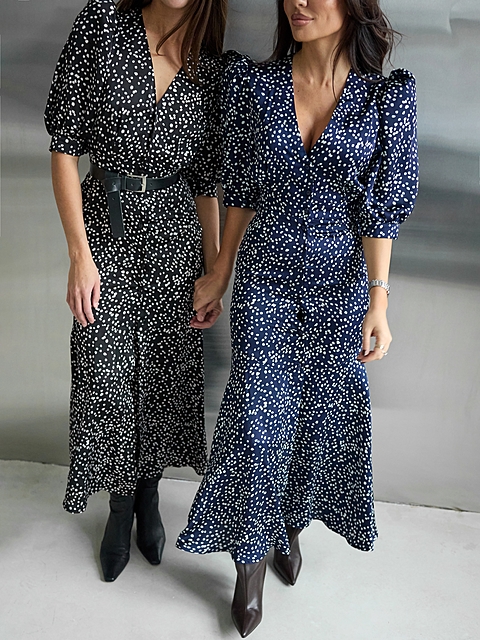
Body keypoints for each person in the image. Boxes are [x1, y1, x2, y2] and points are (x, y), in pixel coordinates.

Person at [176, 0, 419, 635]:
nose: (298, 4)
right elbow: (241, 191)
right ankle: (248, 563)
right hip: (267, 280)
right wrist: (219, 270)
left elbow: (382, 210)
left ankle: (286, 524)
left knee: (318, 423)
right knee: (256, 422)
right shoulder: (256, 85)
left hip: (339, 288)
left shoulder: (385, 99)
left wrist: (379, 301)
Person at [44, 0, 226, 582]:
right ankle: (119, 508)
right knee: (107, 374)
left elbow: (206, 180)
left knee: (166, 374)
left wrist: (213, 270)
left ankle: (149, 496)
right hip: (106, 227)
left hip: (175, 235)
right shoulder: (102, 21)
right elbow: (64, 146)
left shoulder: (208, 53)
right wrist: (79, 255)